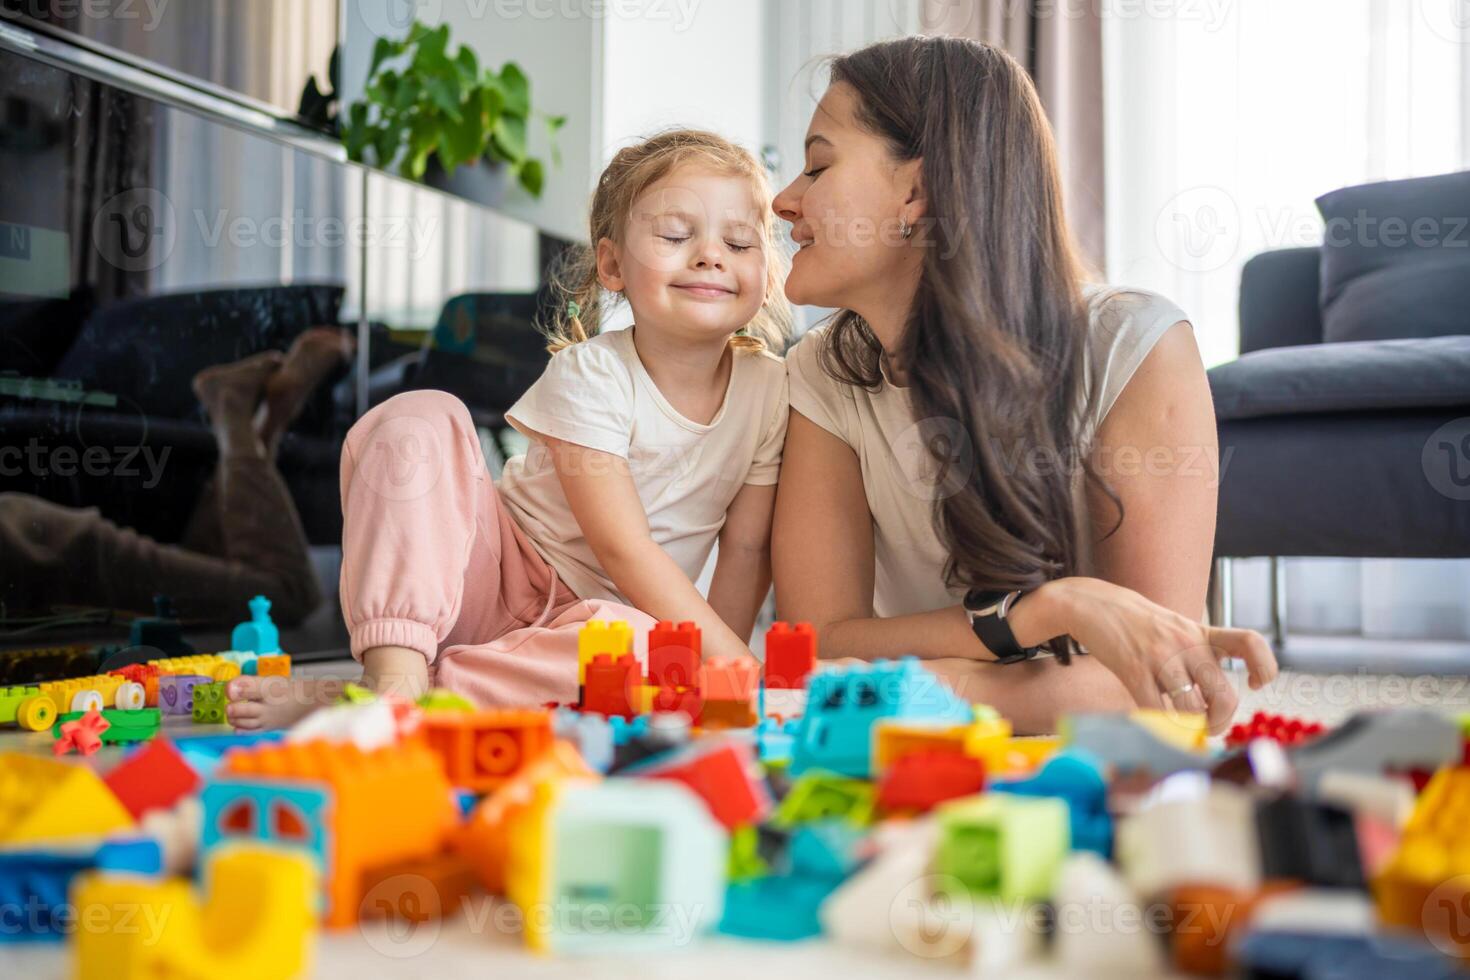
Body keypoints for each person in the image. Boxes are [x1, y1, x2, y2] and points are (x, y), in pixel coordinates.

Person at [770, 36, 1277, 735]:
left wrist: (937, 684)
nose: (782, 200)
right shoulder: (822, 372)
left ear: (917, 192)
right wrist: (1047, 613)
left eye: (818, 166)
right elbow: (814, 648)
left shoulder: (1134, 348)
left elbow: (1162, 687)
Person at [228, 129, 791, 728]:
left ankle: (392, 700)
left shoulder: (770, 392)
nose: (711, 255)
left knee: (638, 652)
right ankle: (395, 674)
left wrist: (720, 675)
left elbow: (748, 548)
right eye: (677, 236)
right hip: (486, 582)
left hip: (595, 634)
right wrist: (733, 662)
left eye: (739, 241)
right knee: (422, 415)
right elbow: (623, 547)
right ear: (611, 265)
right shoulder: (594, 371)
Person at [0, 327, 351, 631]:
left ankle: (235, 415)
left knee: (283, 595)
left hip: (38, 550)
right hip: (33, 539)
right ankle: (260, 425)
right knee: (203, 566)